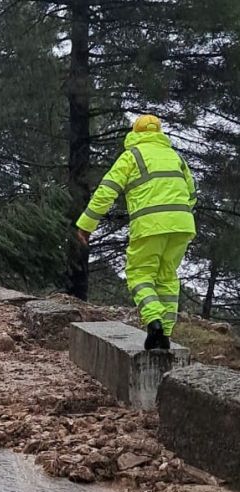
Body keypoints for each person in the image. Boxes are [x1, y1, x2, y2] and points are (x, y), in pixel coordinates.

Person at [75, 115, 197, 350]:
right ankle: (165, 336)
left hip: (150, 226)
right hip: (182, 225)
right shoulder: (177, 157)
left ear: (135, 132)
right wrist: (177, 217)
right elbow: (192, 195)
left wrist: (86, 225)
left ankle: (154, 322)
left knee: (139, 274)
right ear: (159, 132)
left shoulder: (132, 156)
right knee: (168, 278)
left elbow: (106, 192)